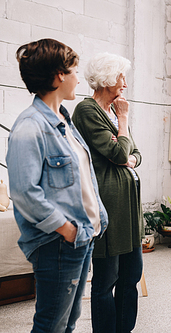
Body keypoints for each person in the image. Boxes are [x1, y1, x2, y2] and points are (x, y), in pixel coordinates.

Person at [6, 38, 108, 332]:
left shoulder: (64, 120)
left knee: (69, 322)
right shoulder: (30, 126)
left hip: (82, 237)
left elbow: (83, 179)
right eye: (74, 71)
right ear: (59, 75)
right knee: (51, 324)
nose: (78, 79)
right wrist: (67, 229)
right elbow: (25, 192)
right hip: (59, 243)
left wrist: (93, 222)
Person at [72, 52, 143, 333]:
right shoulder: (88, 110)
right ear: (106, 80)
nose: (124, 84)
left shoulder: (114, 110)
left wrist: (128, 154)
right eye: (120, 77)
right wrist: (123, 124)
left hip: (129, 205)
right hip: (106, 203)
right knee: (106, 279)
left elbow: (134, 152)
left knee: (131, 276)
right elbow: (116, 151)